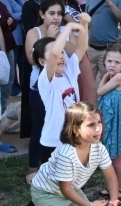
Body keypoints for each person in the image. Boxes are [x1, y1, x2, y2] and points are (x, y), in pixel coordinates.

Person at [36, 20, 90, 163]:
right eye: (56, 52)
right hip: (53, 142)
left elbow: (82, 48)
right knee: (54, 184)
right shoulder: (46, 80)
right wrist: (68, 28)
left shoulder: (69, 71)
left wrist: (84, 25)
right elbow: (54, 55)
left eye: (62, 52)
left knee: (76, 181)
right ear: (42, 62)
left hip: (74, 137)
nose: (60, 55)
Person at [23, 0, 63, 183]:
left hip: (59, 87)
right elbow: (31, 59)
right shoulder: (34, 32)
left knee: (57, 125)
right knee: (39, 126)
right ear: (42, 14)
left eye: (59, 14)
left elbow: (75, 54)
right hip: (38, 87)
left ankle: (54, 165)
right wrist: (51, 39)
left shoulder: (63, 32)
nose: (56, 18)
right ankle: (33, 167)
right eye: (51, 13)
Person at [53, 0, 95, 105]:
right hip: (71, 50)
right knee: (87, 87)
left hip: (81, 48)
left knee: (86, 86)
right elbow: (77, 26)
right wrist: (85, 22)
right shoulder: (59, 7)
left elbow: (84, 24)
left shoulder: (72, 4)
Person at [97, 43, 121, 199]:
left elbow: (99, 91)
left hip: (116, 126)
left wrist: (104, 76)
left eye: (117, 62)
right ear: (104, 61)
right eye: (109, 61)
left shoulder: (119, 77)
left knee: (117, 160)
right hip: (111, 124)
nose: (112, 65)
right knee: (109, 158)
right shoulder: (113, 77)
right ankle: (113, 185)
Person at [0, 0, 26, 95]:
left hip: (23, 34)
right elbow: (9, 16)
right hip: (13, 35)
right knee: (12, 63)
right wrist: (24, 14)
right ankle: (13, 89)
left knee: (22, 63)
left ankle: (23, 86)